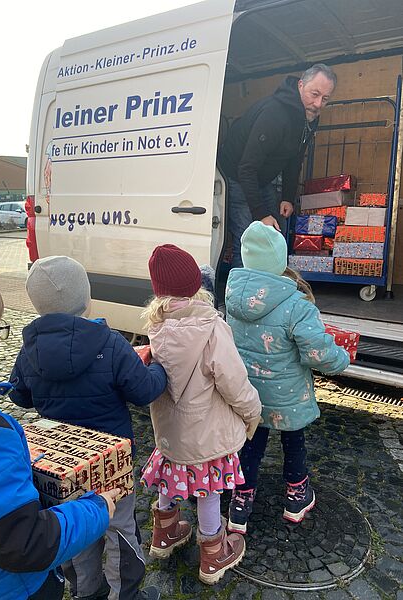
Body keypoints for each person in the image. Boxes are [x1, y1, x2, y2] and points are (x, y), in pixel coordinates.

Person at [0, 266, 119, 600]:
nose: (2, 336)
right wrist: (97, 508)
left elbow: (19, 393)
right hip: (8, 590)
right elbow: (24, 544)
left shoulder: (29, 350)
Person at [9, 256, 167, 600]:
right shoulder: (109, 343)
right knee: (120, 527)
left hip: (60, 464)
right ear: (86, 297)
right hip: (111, 464)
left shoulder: (28, 349)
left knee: (75, 532)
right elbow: (144, 391)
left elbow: (19, 396)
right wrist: (158, 369)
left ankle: (85, 592)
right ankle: (124, 593)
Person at [139, 244, 262, 585]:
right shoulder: (211, 327)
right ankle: (213, 553)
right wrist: (252, 411)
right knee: (209, 488)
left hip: (171, 433)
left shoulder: (156, 327)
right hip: (206, 432)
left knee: (170, 476)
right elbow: (233, 381)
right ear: (197, 284)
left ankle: (164, 534)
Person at [224, 222, 350, 533]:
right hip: (287, 396)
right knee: (294, 442)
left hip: (248, 393)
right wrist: (342, 359)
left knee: (250, 446)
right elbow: (317, 351)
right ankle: (296, 497)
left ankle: (240, 504)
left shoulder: (233, 297)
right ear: (281, 260)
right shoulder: (296, 304)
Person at [218, 63, 337, 267]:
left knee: (276, 232)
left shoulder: (308, 117)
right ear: (301, 85)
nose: (318, 104)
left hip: (262, 178)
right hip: (237, 176)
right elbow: (246, 167)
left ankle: (268, 291)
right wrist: (261, 214)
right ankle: (240, 297)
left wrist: (287, 198)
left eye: (324, 99)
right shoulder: (275, 115)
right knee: (249, 240)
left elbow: (294, 159)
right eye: (314, 94)